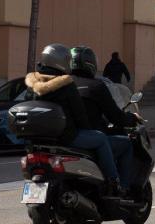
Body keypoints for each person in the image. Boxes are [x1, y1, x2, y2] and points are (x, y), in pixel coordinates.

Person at [25, 44, 123, 197]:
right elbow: (79, 114)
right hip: (66, 137)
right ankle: (113, 181)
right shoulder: (65, 84)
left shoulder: (33, 85)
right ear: (61, 62)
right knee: (101, 139)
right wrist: (87, 129)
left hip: (39, 141)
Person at [70, 46, 138, 195]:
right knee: (126, 144)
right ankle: (121, 187)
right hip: (87, 137)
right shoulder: (96, 86)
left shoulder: (64, 85)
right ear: (91, 64)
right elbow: (115, 116)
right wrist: (132, 118)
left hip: (67, 137)